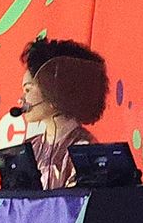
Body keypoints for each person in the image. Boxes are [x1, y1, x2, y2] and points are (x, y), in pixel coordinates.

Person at [16, 38, 109, 190]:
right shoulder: (29, 148)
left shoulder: (84, 149)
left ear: (53, 90)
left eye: (28, 90)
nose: (21, 99)